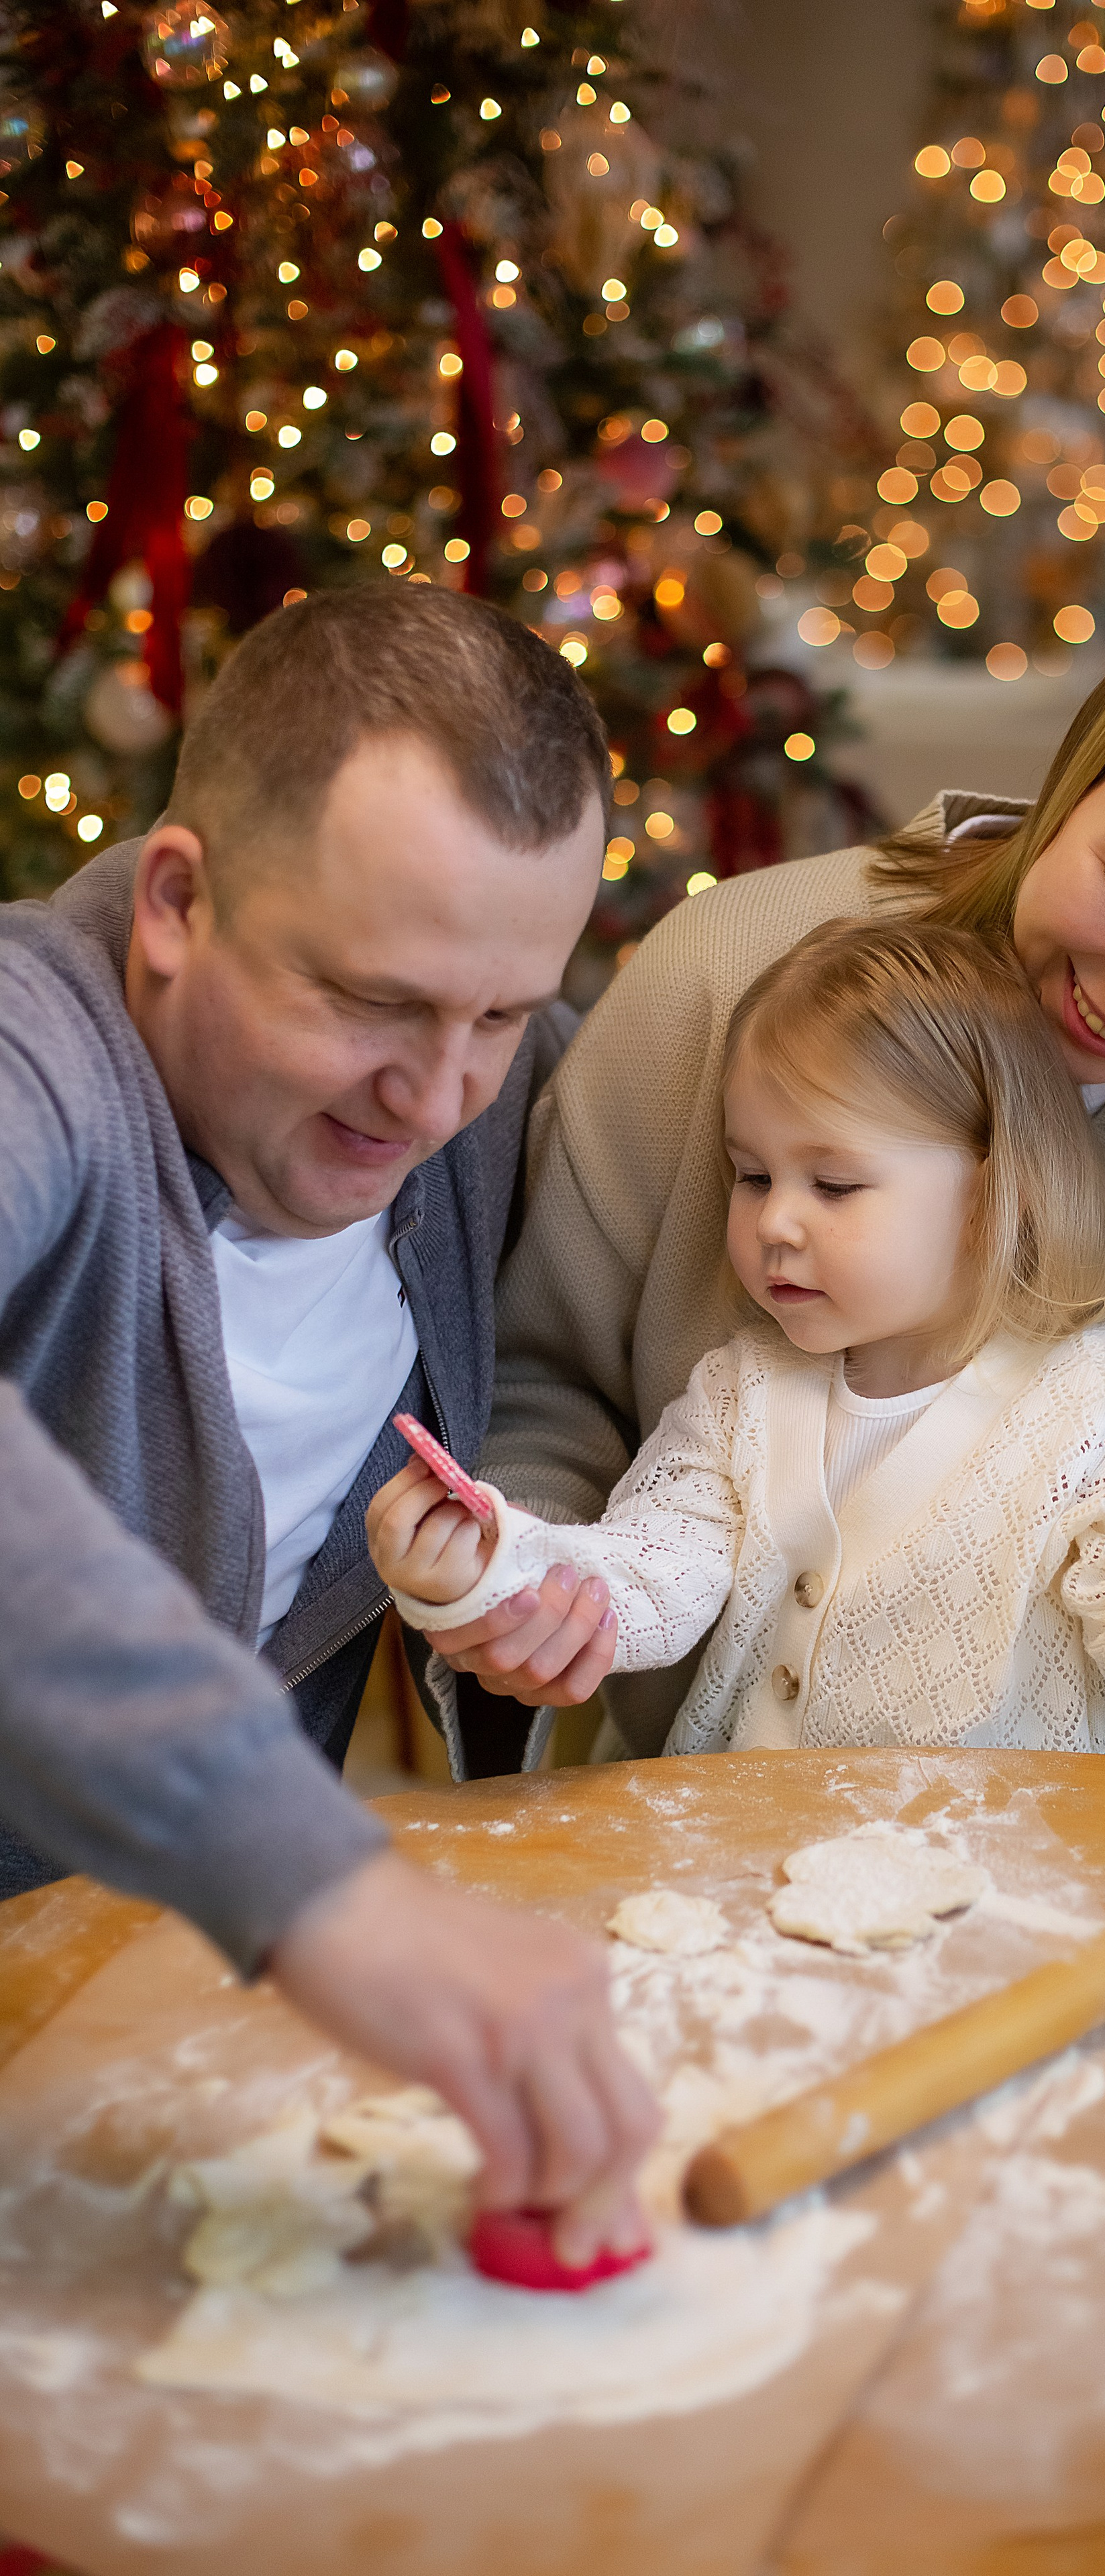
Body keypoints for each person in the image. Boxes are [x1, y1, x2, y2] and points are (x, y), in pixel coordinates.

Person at [437, 556, 1105, 1779]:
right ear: (1081, 772)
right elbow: (544, 1380)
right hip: (703, 1813)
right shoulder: (731, 972)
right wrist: (535, 1584)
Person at [0, 580, 648, 2251]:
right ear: (175, 902)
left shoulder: (495, 1097)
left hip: (162, 2049)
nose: (436, 1099)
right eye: (371, 1001)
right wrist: (323, 1886)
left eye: (498, 1015)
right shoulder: (32, 1043)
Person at [371, 922, 1105, 1760]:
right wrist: (496, 1573)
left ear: (991, 1199)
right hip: (749, 1868)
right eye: (753, 1176)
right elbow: (649, 1575)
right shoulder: (740, 1394)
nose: (775, 1223)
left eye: (834, 1185)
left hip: (1007, 1889)